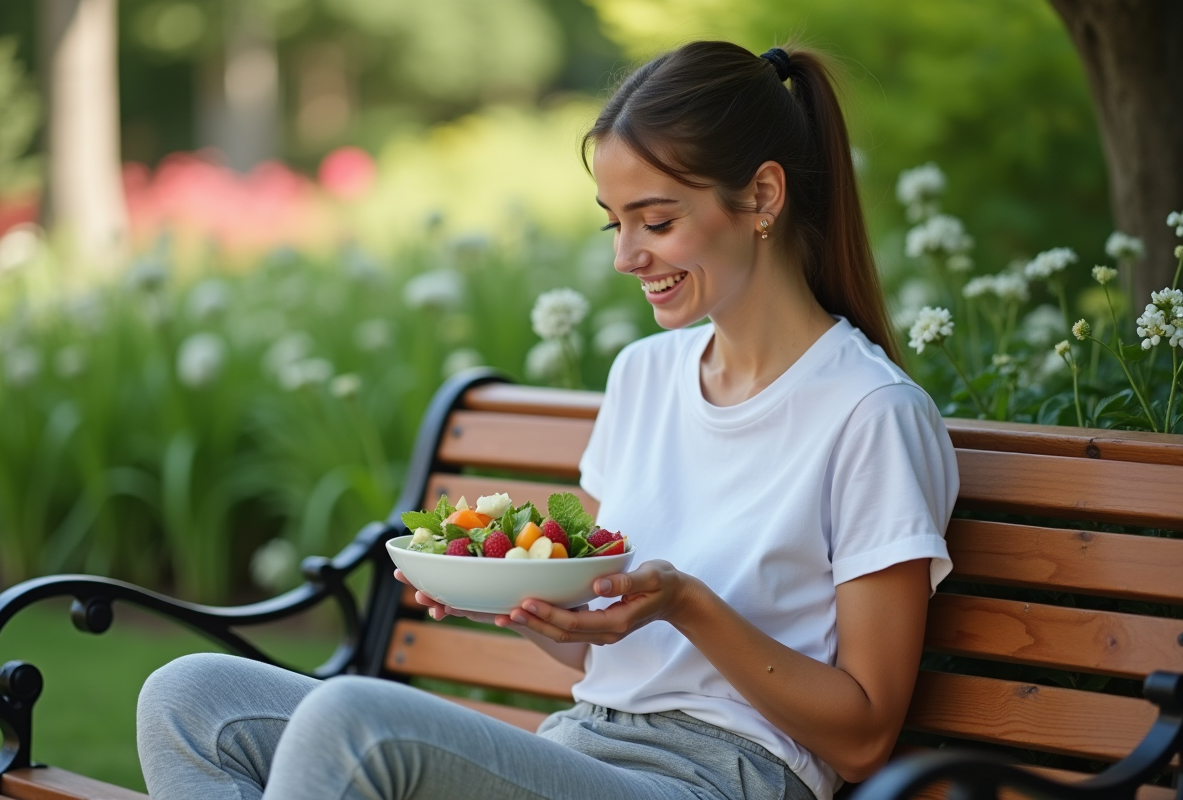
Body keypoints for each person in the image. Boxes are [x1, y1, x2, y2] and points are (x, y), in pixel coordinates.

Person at [136, 40, 958, 800]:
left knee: (354, 724)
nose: (625, 256)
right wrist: (515, 598)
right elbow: (585, 640)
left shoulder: (869, 415)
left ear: (763, 196)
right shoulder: (644, 374)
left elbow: (862, 739)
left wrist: (686, 602)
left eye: (657, 220)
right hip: (580, 750)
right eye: (616, 220)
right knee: (191, 699)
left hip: (717, 778)